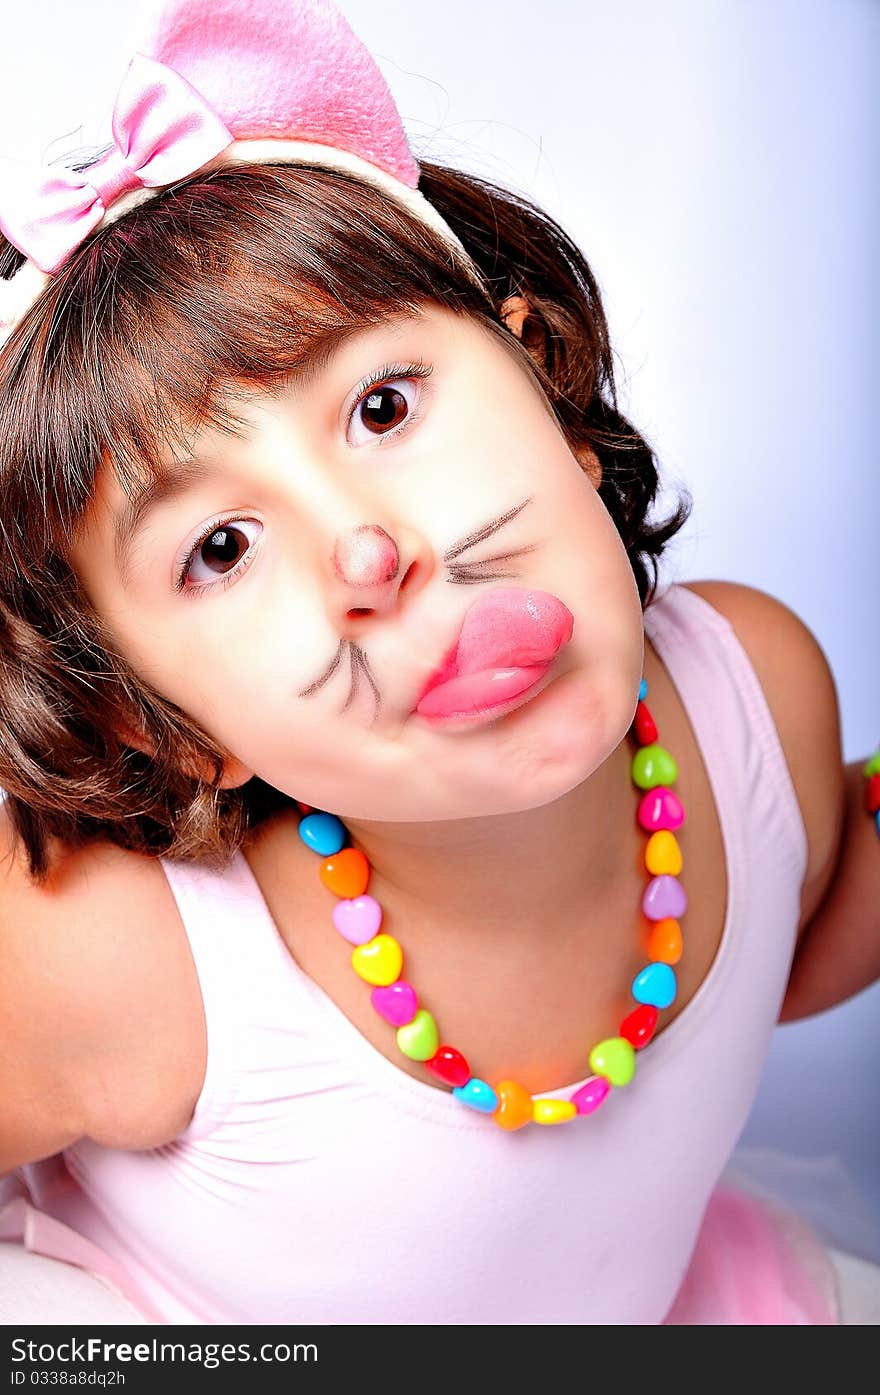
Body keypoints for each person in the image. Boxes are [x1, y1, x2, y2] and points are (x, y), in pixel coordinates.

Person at [0, 0, 877, 1325]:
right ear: (161, 724)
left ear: (551, 393)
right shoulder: (115, 960)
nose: (367, 549)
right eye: (222, 547)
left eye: (380, 407)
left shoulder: (758, 691)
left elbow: (773, 945)